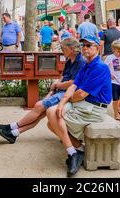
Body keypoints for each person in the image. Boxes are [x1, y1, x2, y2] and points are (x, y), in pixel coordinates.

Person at [0, 36, 86, 143]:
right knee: (39, 113)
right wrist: (56, 85)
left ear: (71, 49)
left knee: (39, 106)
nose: (62, 51)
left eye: (63, 49)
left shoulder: (81, 61)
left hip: (69, 93)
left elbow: (73, 83)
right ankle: (14, 133)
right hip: (61, 90)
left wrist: (57, 86)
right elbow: (62, 75)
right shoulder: (69, 60)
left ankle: (12, 127)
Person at [46, 34, 112, 177]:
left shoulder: (100, 67)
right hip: (82, 104)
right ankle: (75, 151)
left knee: (53, 123)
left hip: (94, 108)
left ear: (98, 48)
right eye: (83, 45)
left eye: (89, 45)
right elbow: (74, 86)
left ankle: (75, 152)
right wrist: (62, 103)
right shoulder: (87, 64)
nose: (85, 48)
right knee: (51, 114)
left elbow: (81, 94)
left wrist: (67, 101)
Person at [105, 40, 120, 123]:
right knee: (115, 99)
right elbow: (104, 68)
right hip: (114, 82)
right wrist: (109, 74)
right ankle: (116, 114)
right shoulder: (110, 58)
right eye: (118, 51)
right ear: (113, 50)